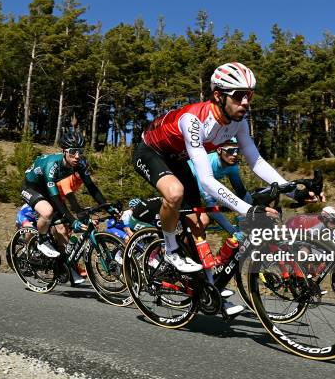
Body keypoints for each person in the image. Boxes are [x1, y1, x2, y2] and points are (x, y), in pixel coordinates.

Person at [132, 62, 321, 316]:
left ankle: (208, 290)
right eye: (239, 95)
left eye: (249, 95)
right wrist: (248, 209)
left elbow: (256, 161)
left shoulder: (239, 122)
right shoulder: (193, 120)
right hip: (151, 151)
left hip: (177, 159)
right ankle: (170, 250)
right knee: (174, 192)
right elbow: (207, 179)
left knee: (199, 221)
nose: (246, 102)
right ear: (219, 96)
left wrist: (292, 189)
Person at [22, 130, 116, 284]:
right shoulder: (52, 165)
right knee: (48, 211)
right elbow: (55, 199)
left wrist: (108, 207)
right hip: (31, 187)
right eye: (73, 152)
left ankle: (64, 267)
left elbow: (92, 188)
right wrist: (73, 220)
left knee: (62, 230)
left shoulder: (80, 163)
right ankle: (41, 240)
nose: (77, 156)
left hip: (48, 188)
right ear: (64, 151)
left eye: (80, 152)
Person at [187, 137, 251, 237]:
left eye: (237, 150)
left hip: (197, 187)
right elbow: (209, 203)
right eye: (230, 151)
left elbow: (241, 191)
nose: (234, 154)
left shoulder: (232, 166)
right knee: (201, 222)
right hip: (186, 185)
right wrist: (233, 231)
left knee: (203, 223)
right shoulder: (208, 162)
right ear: (219, 150)